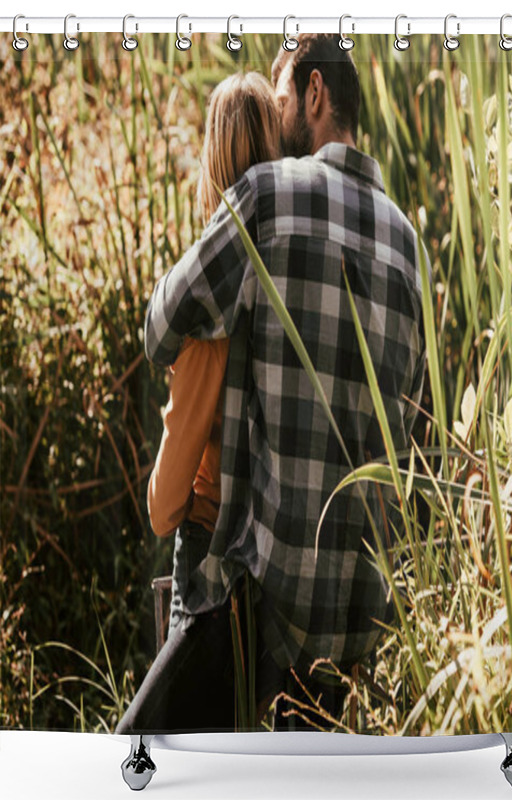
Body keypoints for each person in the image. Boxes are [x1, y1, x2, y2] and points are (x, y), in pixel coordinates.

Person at [122, 33, 429, 734]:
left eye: (284, 95)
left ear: (315, 93)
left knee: (150, 756)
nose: (277, 113)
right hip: (355, 622)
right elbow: (412, 437)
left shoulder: (268, 197)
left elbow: (161, 324)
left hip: (261, 605)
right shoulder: (410, 248)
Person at [116, 72, 283, 734]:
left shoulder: (203, 318)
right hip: (277, 574)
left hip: (209, 571)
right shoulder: (291, 290)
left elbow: (163, 509)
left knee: (143, 751)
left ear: (212, 162)